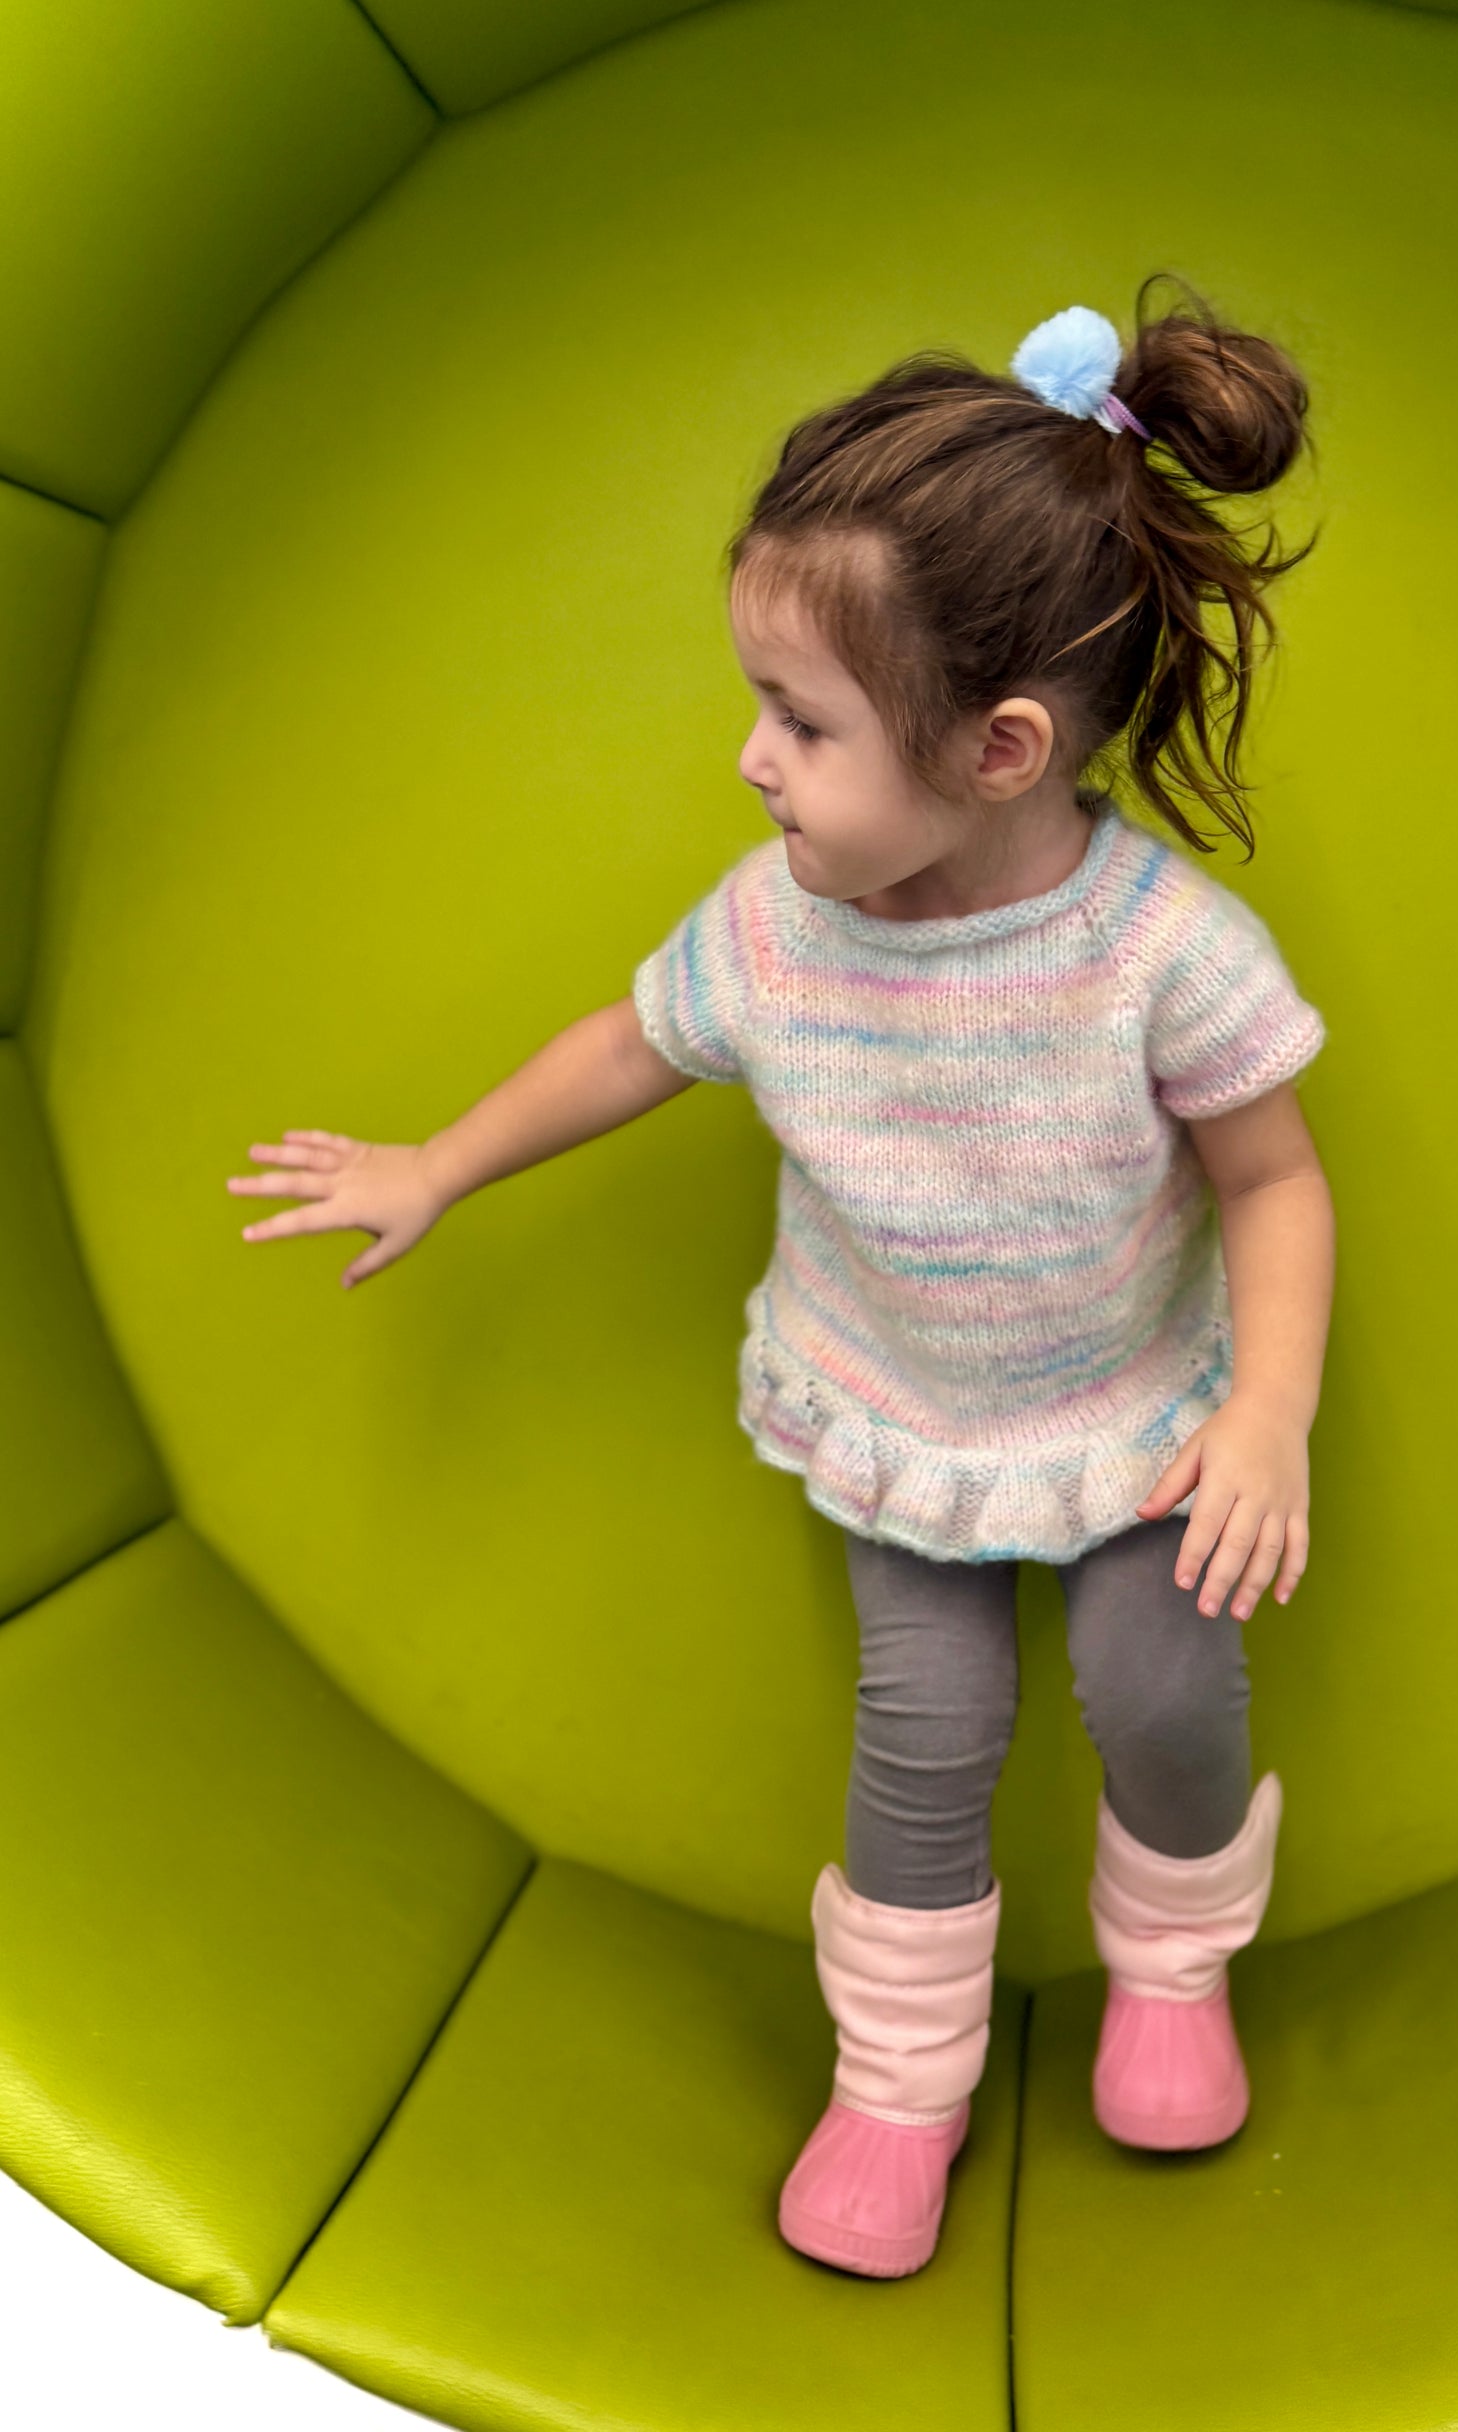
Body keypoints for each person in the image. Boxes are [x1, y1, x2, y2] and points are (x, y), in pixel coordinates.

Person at [225, 278, 1336, 2284]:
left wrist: (1265, 1412)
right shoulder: (776, 924)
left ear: (997, 747)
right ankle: (898, 2079)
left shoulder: (1160, 949)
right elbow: (627, 1045)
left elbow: (1272, 1174)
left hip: (1130, 1410)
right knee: (926, 1730)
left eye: (802, 722)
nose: (750, 762)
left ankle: (1173, 1970)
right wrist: (440, 1164)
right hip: (895, 1410)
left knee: (1161, 1684)